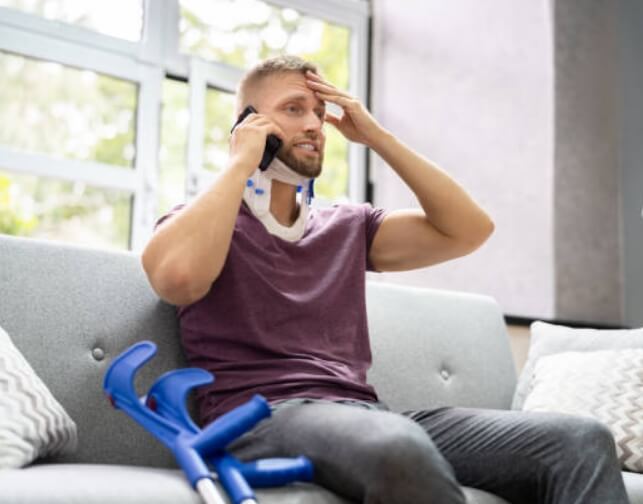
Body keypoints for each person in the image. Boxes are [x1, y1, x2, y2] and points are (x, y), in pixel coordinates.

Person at [141, 55, 628, 504]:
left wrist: (377, 137)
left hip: (368, 415)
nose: (314, 123)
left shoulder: (347, 226)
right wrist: (239, 163)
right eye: (294, 109)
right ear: (249, 123)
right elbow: (179, 280)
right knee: (398, 444)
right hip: (262, 417)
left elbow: (469, 230)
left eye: (319, 110)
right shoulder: (204, 223)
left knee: (580, 439)